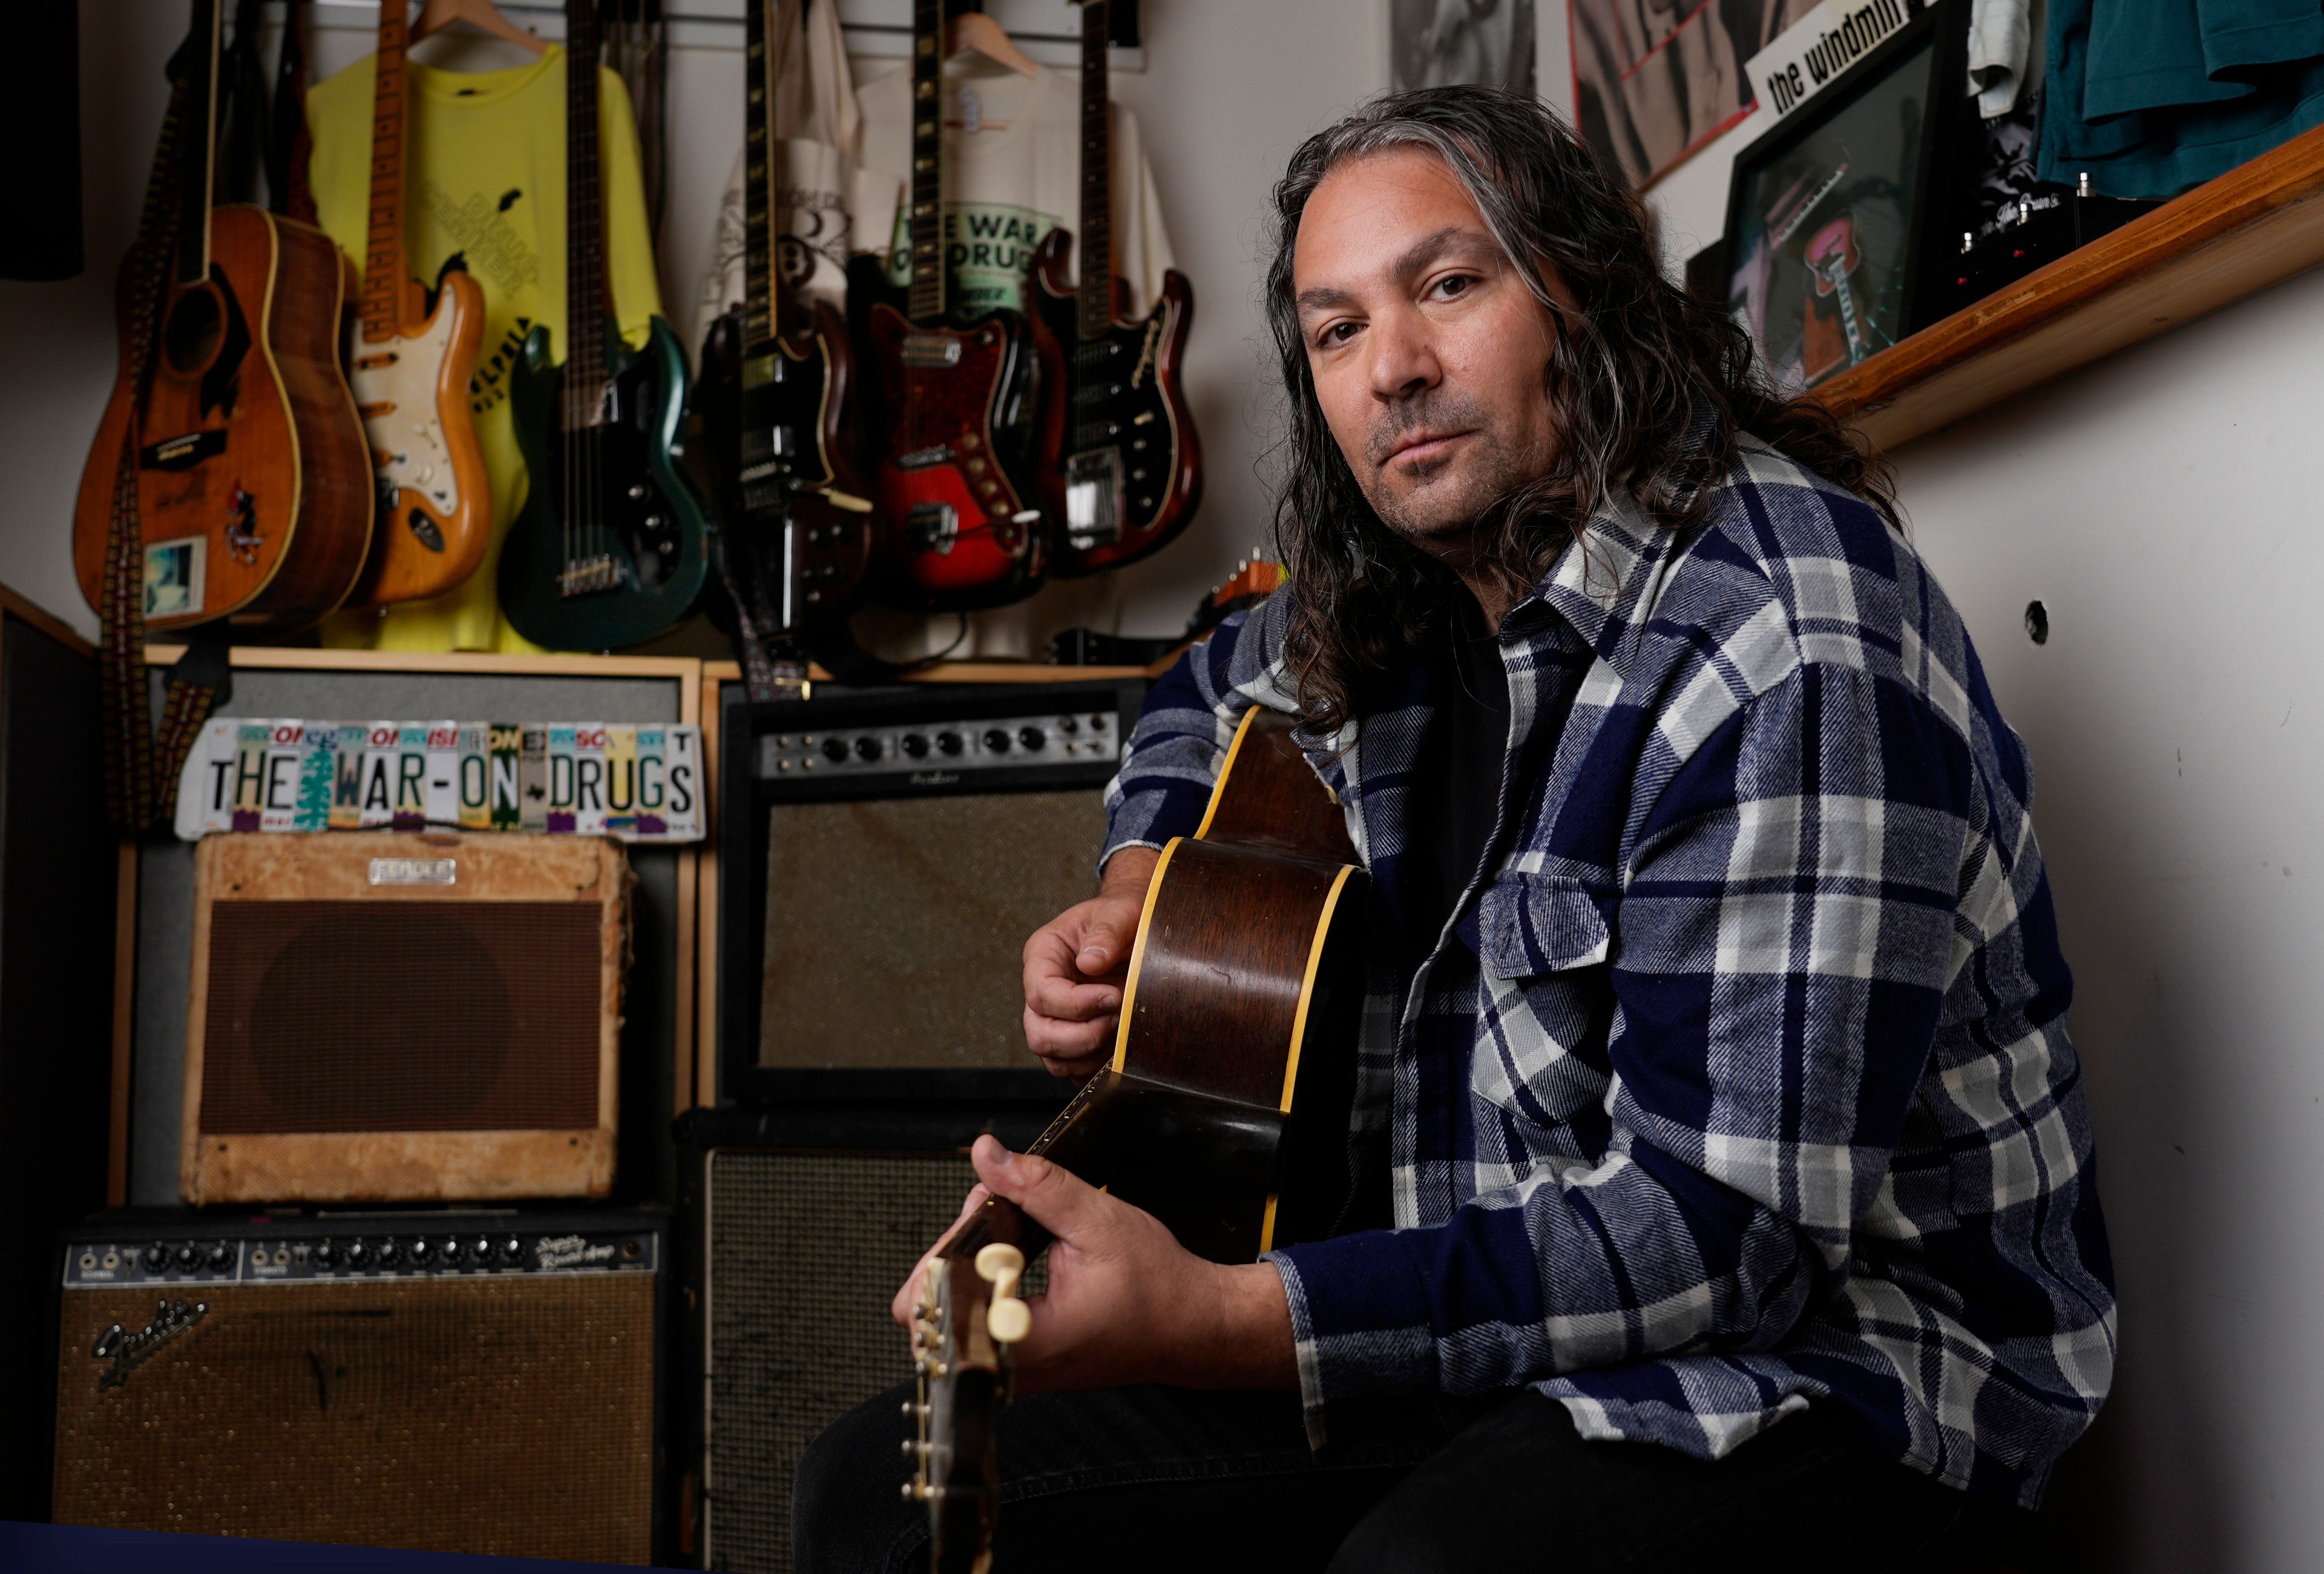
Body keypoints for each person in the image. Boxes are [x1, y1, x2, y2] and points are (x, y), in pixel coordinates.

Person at [796, 86, 2114, 1572]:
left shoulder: (1787, 634)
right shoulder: (1414, 578)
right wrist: (1144, 888)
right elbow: (1195, 692)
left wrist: (1228, 1317)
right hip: (1494, 1322)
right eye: (1338, 330)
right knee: (881, 1488)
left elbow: (1724, 1239)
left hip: (1852, 1380)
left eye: (1446, 285)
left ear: (1578, 295)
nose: (1395, 372)